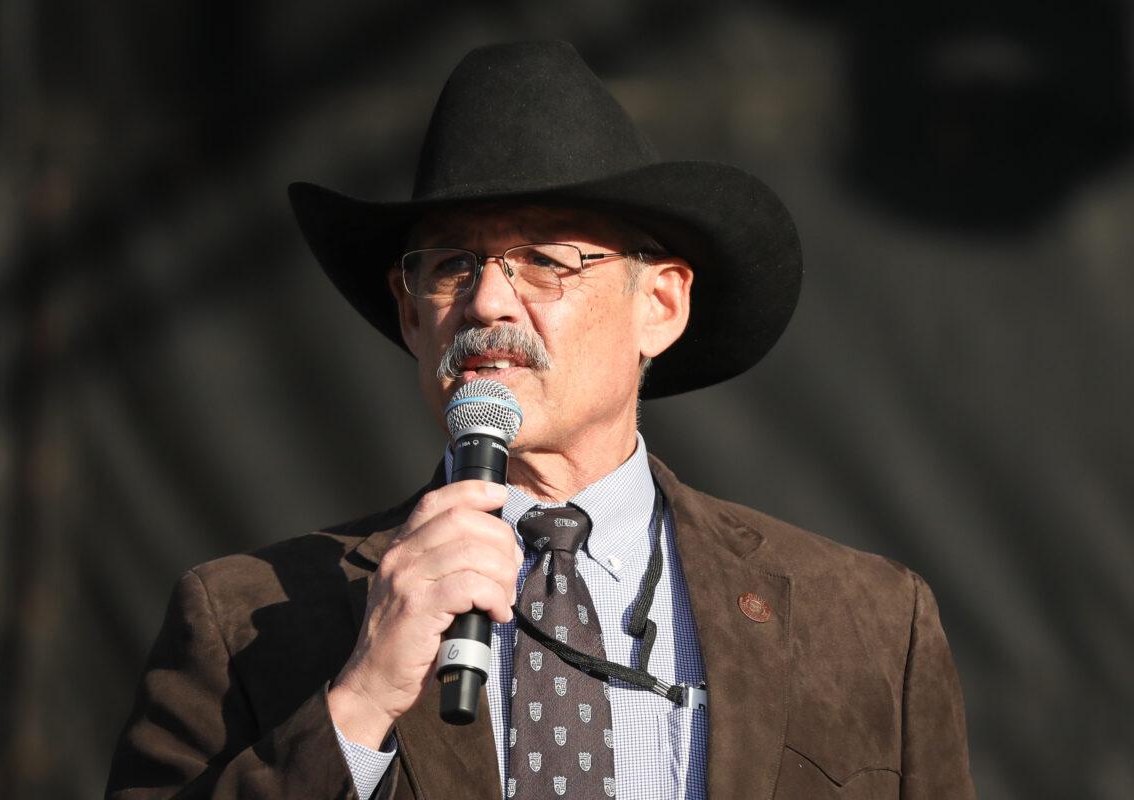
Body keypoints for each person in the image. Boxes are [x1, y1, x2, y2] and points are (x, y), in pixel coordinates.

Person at [105, 41, 975, 799]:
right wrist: (361, 700)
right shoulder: (245, 619)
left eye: (546, 261)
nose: (487, 299)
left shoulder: (864, 623)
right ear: (411, 318)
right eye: (450, 265)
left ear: (661, 306)